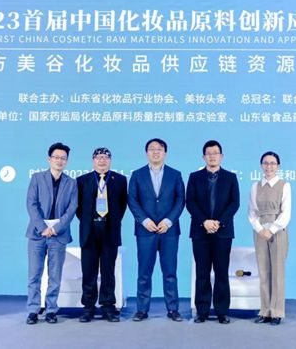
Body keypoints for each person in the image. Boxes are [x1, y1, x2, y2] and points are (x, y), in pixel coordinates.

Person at [128, 138, 185, 322]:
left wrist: (168, 221)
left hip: (169, 232)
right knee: (144, 272)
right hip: (145, 231)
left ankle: (173, 309)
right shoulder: (137, 175)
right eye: (151, 149)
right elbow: (132, 200)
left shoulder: (175, 174)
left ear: (165, 153)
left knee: (170, 273)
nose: (155, 152)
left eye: (159, 149)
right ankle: (141, 310)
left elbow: (180, 200)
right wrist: (144, 221)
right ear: (147, 153)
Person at [186, 140, 240, 324]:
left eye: (215, 153)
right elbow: (190, 202)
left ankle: (222, 312)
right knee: (202, 273)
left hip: (222, 232)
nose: (212, 156)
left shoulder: (230, 177)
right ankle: (202, 311)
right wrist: (204, 222)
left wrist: (218, 222)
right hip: (200, 232)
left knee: (221, 273)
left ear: (221, 156)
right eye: (208, 153)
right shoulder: (194, 177)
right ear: (203, 157)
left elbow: (234, 203)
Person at [25, 142, 78, 325]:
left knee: (55, 276)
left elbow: (72, 208)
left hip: (58, 234)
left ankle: (51, 310)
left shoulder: (71, 183)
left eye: (63, 158)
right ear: (49, 159)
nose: (59, 161)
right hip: (37, 233)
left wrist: (56, 228)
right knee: (34, 275)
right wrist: (43, 227)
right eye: (56, 157)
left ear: (67, 161)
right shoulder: (37, 178)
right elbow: (31, 204)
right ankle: (33, 310)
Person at [76, 147, 128, 322]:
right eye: (98, 157)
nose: (102, 160)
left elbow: (122, 205)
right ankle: (88, 307)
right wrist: (91, 221)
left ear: (110, 160)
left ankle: (108, 307)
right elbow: (78, 208)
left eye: (106, 157)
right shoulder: (82, 181)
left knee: (108, 271)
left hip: (110, 231)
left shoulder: (120, 180)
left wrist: (109, 220)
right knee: (88, 272)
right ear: (93, 161)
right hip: (89, 231)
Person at [247, 151, 291, 326]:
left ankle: (277, 312)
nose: (269, 166)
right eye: (266, 163)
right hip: (260, 232)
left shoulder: (284, 185)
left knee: (278, 272)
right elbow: (251, 212)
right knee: (263, 272)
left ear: (278, 166)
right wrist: (260, 229)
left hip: (278, 231)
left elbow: (286, 213)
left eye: (272, 163)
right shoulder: (255, 186)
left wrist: (271, 229)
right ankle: (265, 311)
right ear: (261, 166)